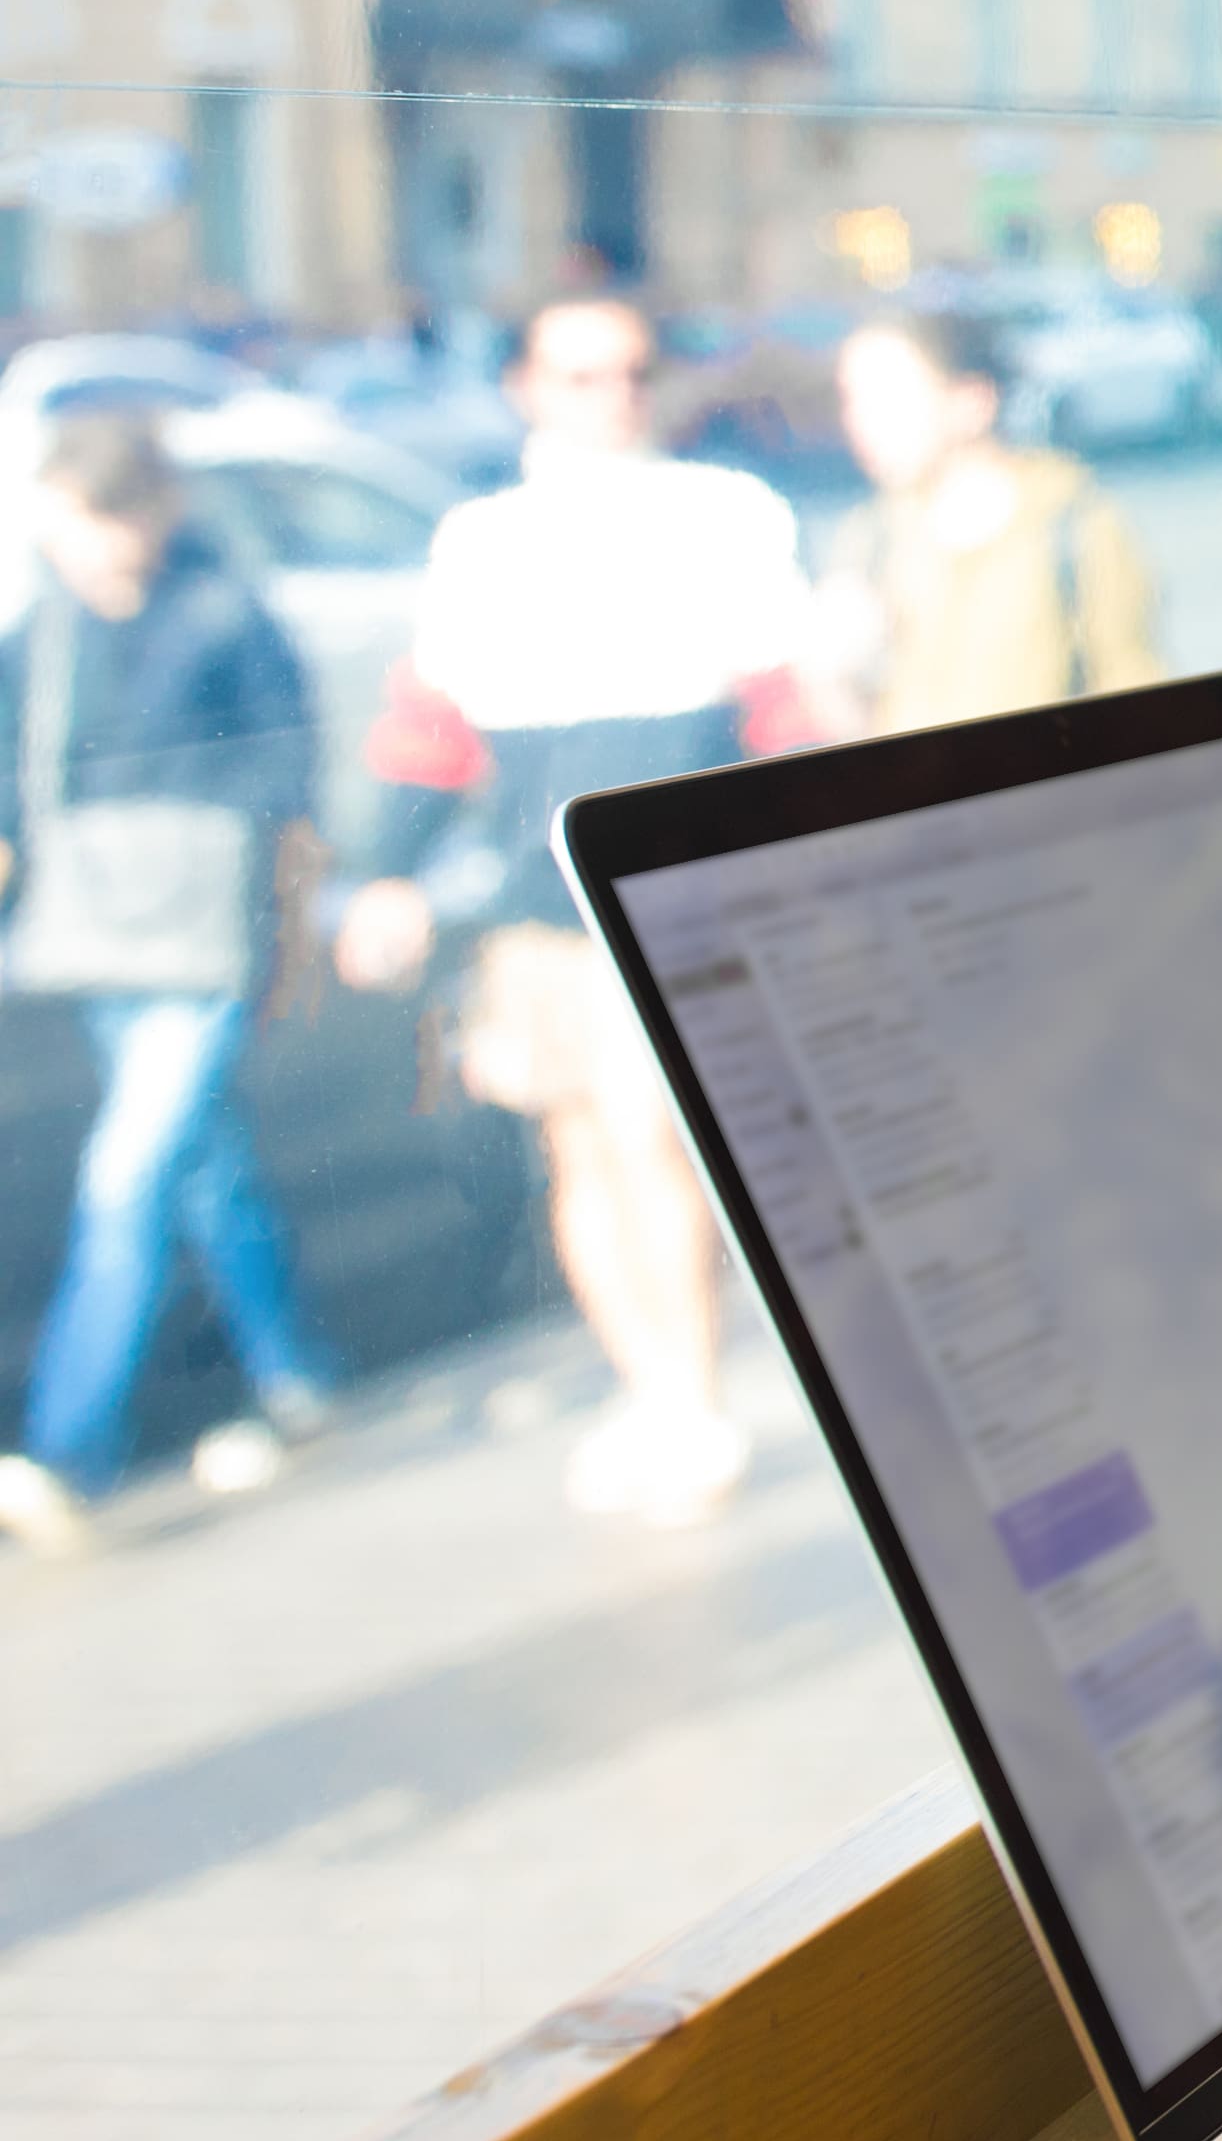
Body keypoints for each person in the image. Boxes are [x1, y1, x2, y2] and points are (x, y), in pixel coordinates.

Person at [338, 291, 813, 1526]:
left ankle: (695, 1402)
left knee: (657, 1144)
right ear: (527, 387)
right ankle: (652, 1392)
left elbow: (781, 711)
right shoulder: (482, 542)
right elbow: (429, 726)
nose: (615, 397)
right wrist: (385, 872)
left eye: (633, 372)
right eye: (583, 375)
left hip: (672, 895)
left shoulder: (725, 517)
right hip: (537, 903)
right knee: (581, 1148)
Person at [0, 412, 333, 1555]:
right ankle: (298, 1373)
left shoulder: (220, 613)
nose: (86, 547)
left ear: (154, 511)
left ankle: (65, 1447)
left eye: (103, 520)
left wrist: (289, 921)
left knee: (126, 1178)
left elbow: (289, 772)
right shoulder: (41, 629)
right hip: (100, 936)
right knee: (200, 1167)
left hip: (203, 938)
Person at [813, 303, 1162, 733]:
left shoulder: (1071, 524)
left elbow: (1134, 695)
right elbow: (855, 742)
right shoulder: (869, 537)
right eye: (853, 398)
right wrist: (828, 673)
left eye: (889, 396)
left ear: (971, 400)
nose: (862, 422)